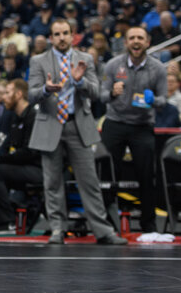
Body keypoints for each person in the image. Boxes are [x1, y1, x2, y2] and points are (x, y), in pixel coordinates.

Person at [28, 19, 128, 245]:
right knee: (52, 182)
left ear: (73, 36)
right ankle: (57, 229)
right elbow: (31, 95)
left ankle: (103, 231)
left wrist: (79, 81)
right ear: (51, 38)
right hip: (50, 124)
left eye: (65, 33)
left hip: (78, 125)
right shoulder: (38, 61)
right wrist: (46, 89)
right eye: (57, 34)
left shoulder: (85, 60)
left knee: (90, 181)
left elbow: (96, 93)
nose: (61, 37)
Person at [100, 26, 168, 234]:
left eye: (140, 38)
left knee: (147, 176)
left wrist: (153, 100)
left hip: (142, 126)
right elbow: (100, 96)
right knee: (108, 174)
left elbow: (164, 101)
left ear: (147, 42)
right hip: (115, 123)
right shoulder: (112, 65)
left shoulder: (158, 68)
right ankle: (106, 225)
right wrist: (111, 93)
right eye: (132, 38)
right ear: (126, 43)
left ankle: (149, 225)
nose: (136, 42)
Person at [0, 79, 42, 228]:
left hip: (37, 168)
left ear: (18, 94)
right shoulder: (14, 117)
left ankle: (6, 220)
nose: (4, 97)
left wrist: (0, 159)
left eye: (7, 92)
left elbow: (30, 152)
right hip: (22, 166)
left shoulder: (33, 116)